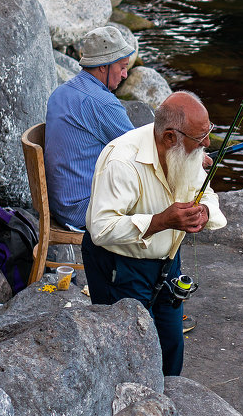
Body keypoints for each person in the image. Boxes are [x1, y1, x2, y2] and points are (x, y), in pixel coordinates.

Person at [83, 90, 226, 376]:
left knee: (172, 344)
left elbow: (205, 192)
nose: (207, 144)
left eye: (208, 132)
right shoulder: (122, 161)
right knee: (131, 353)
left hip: (168, 262)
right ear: (170, 137)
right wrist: (161, 221)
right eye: (200, 139)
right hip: (120, 266)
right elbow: (101, 229)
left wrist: (205, 212)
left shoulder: (184, 149)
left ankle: (167, 411)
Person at [43, 26, 137, 232]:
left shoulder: (60, 92)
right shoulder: (103, 103)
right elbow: (140, 149)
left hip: (59, 204)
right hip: (81, 210)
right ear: (103, 66)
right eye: (122, 67)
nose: (125, 74)